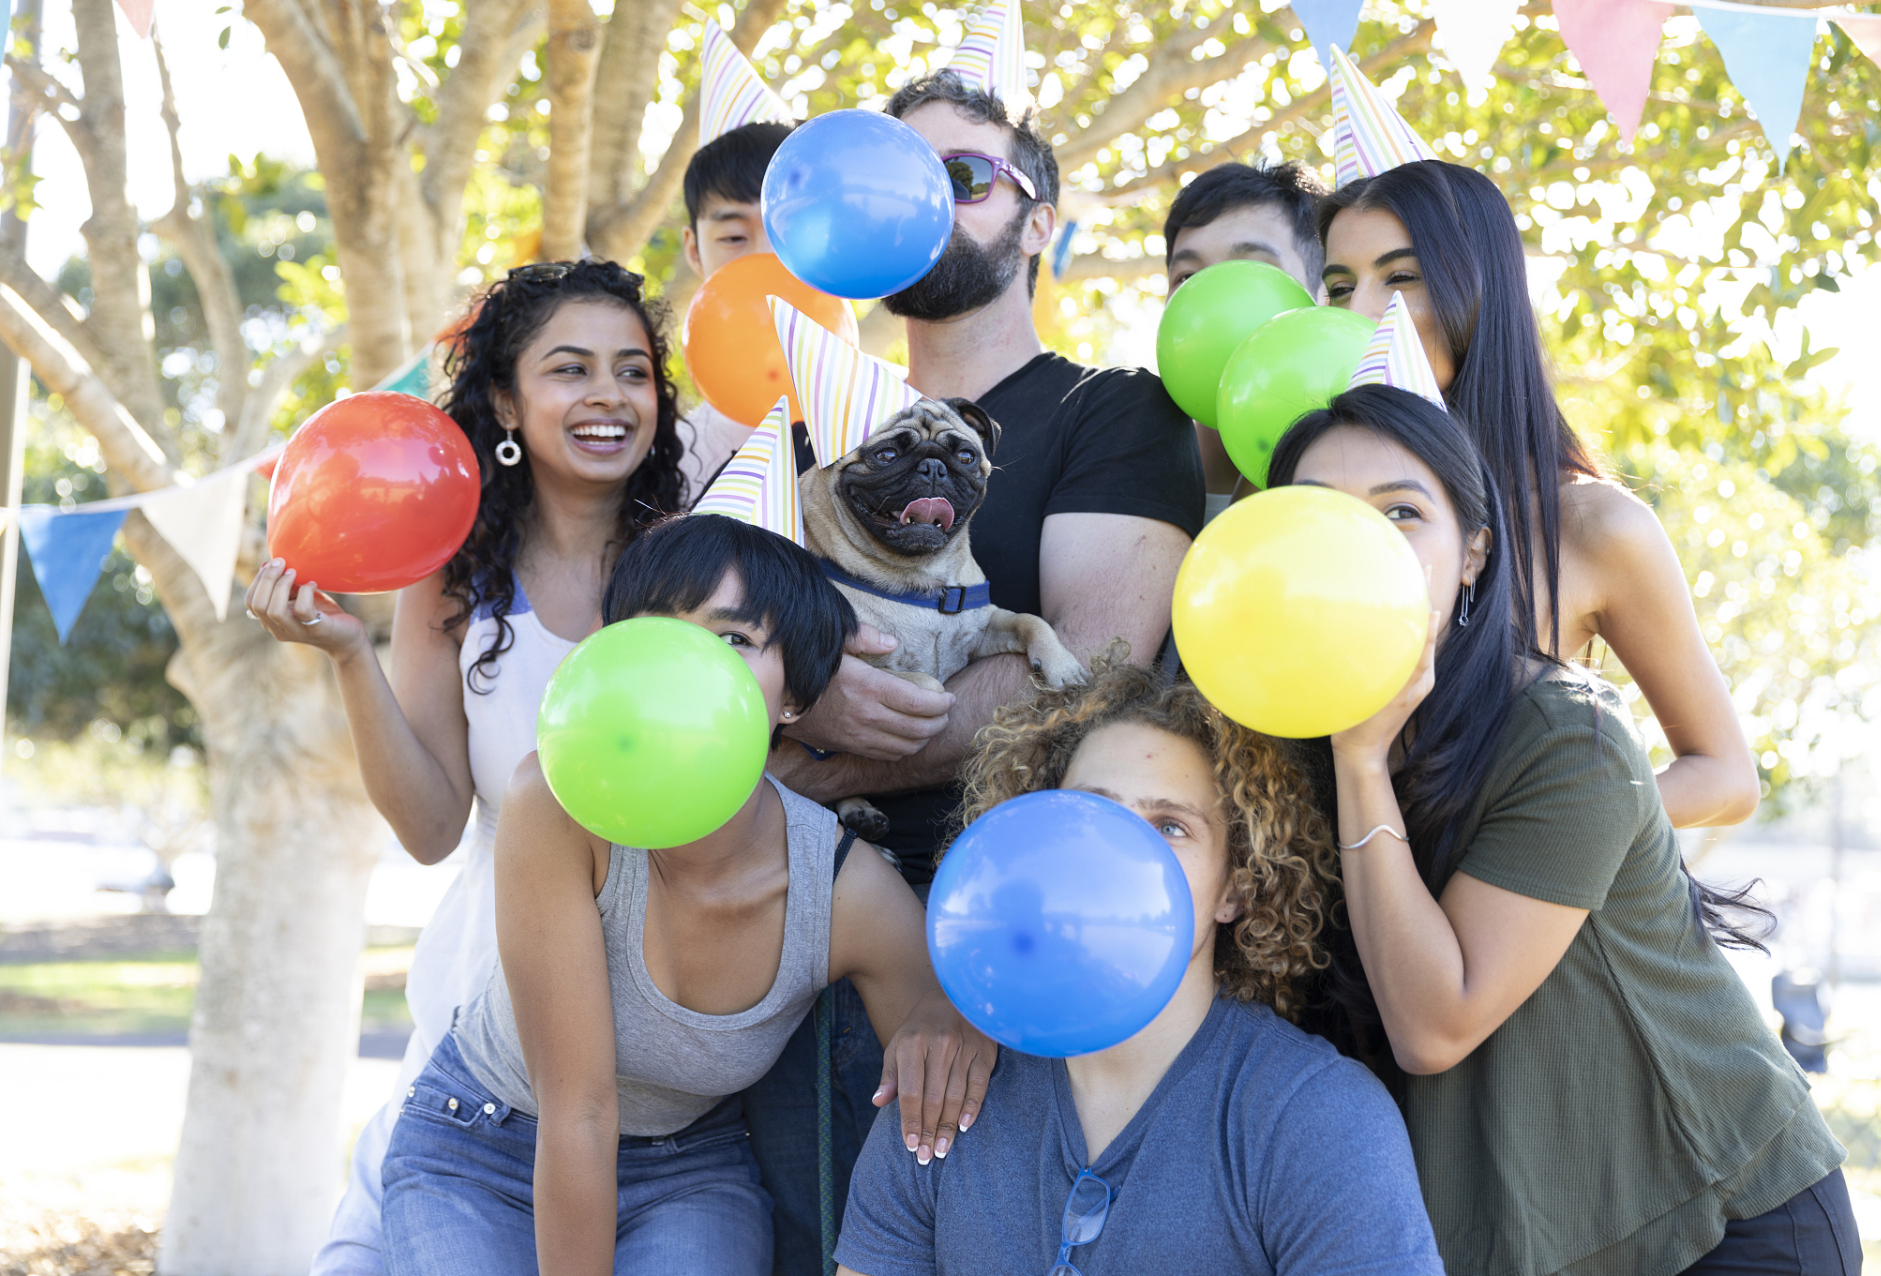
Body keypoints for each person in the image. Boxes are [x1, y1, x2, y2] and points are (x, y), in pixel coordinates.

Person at [752, 68, 1205, 1275]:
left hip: (1008, 933)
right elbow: (703, 660)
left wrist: (810, 728)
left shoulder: (1114, 413)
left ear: (1039, 223)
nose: (925, 205)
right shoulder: (796, 433)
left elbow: (1085, 673)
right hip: (783, 930)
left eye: (963, 177)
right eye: (898, 180)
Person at [1268, 384, 1860, 1276]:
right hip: (1536, 1235)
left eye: (1400, 513)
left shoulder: (1569, 736)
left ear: (1473, 553)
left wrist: (1362, 764)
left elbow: (1436, 1024)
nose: (1360, 548)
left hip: (1716, 1222)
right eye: (1319, 517)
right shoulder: (1273, 741)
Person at [381, 513, 998, 1274]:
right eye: (659, 633)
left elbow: (949, 1058)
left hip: (687, 1170)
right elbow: (580, 1111)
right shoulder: (558, 801)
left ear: (798, 696)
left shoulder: (846, 890)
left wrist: (956, 1019)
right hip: (480, 1144)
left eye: (733, 640)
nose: (685, 665)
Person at [244, 258, 686, 1276]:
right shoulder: (450, 570)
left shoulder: (698, 554)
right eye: (570, 369)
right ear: (504, 398)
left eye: (633, 371)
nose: (609, 397)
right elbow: (432, 825)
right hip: (484, 993)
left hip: (663, 984)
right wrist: (351, 657)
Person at [832, 662, 1445, 1276]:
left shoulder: (1318, 1119)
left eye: (1169, 827)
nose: (1115, 854)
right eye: (1088, 814)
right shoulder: (941, 1092)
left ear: (1236, 885)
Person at [1316, 160, 1759, 829]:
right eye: (1339, 286)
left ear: (1478, 291)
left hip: (1499, 926)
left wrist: (1523, 840)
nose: (1361, 311)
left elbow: (1724, 776)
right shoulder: (1309, 503)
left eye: (1401, 278)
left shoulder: (1592, 525)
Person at [1161, 159, 1328, 520]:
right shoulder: (1113, 462)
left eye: (1254, 270)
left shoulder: (1363, 471)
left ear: (1322, 294)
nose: (1217, 300)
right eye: (1187, 278)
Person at [677, 119, 796, 492]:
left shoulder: (901, 414)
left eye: (789, 229)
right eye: (733, 237)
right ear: (694, 251)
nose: (764, 256)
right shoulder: (669, 462)